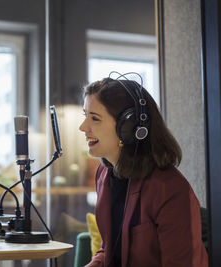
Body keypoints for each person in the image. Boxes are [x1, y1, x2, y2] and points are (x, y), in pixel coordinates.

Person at [79, 74, 208, 267]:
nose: (83, 127)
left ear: (128, 127)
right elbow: (110, 248)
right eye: (85, 116)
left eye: (95, 118)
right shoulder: (104, 175)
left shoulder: (169, 188)